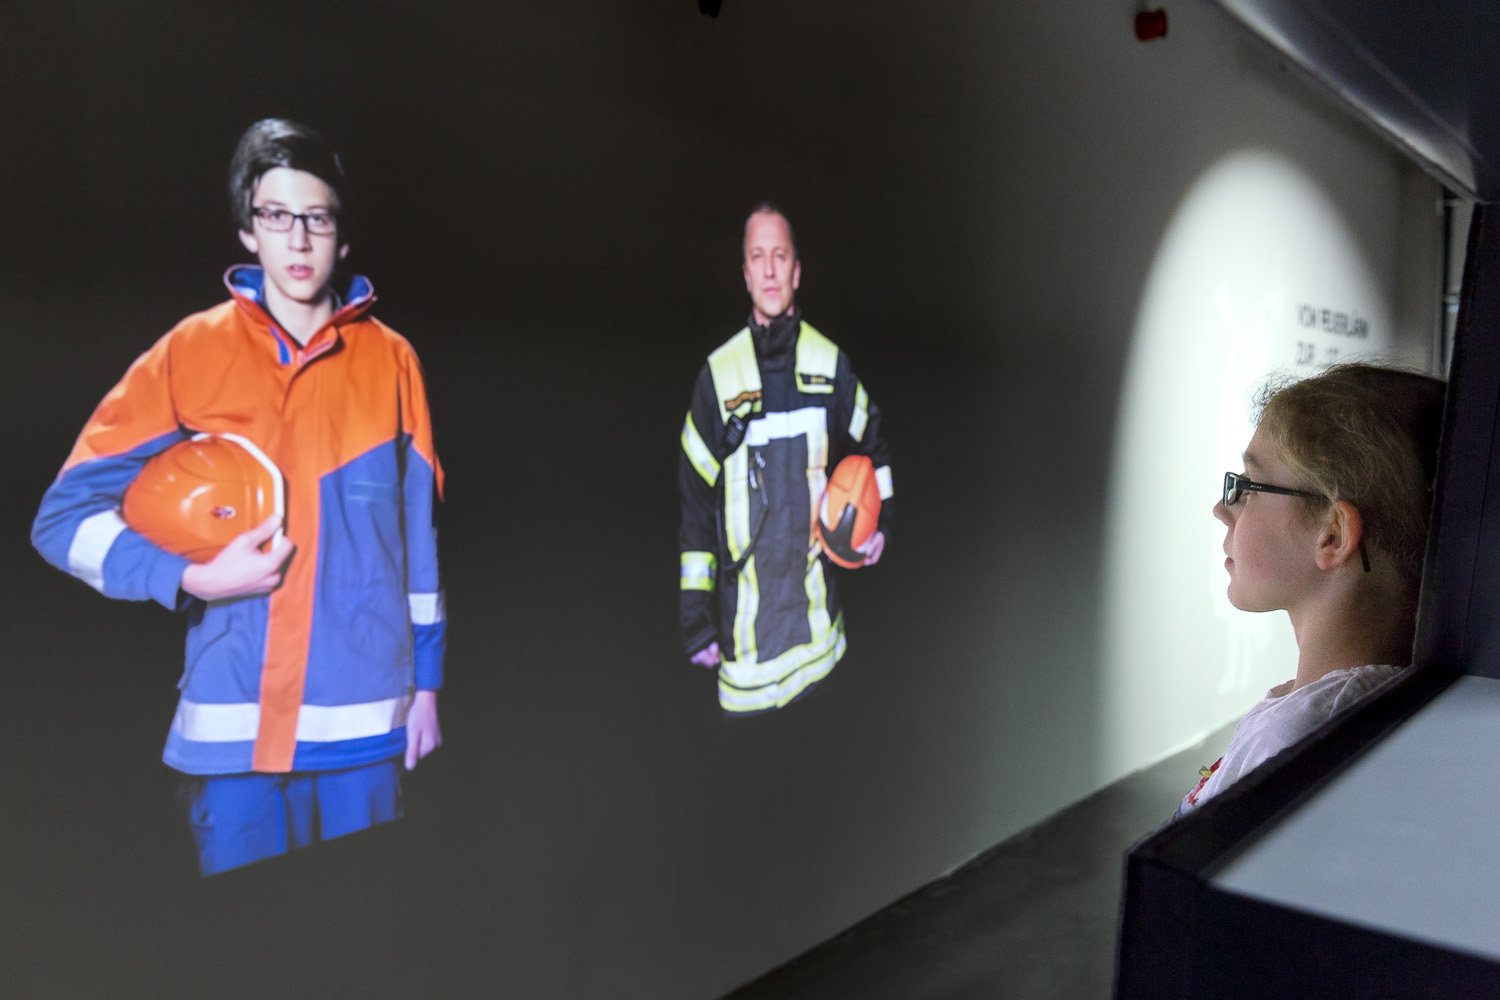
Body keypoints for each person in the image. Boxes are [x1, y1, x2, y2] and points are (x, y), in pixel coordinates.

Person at [30, 119, 446, 874]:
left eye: (317, 218)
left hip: (365, 728)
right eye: (276, 216)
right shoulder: (192, 352)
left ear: (342, 236)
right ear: (248, 231)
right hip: (232, 736)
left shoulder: (392, 361)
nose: (297, 238)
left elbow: (418, 545)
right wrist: (185, 578)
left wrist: (430, 688)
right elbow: (60, 519)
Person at [1177, 363, 1445, 815]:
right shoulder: (1358, 701)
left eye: (1249, 486)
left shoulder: (1295, 743)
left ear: (1333, 536)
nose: (1223, 509)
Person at [678, 204, 894, 714]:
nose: (770, 269)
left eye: (781, 256)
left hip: (821, 653)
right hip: (744, 662)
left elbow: (875, 446)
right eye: (758, 257)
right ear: (746, 274)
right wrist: (695, 617)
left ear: (797, 271)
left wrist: (879, 520)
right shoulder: (718, 377)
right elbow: (693, 500)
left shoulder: (829, 365)